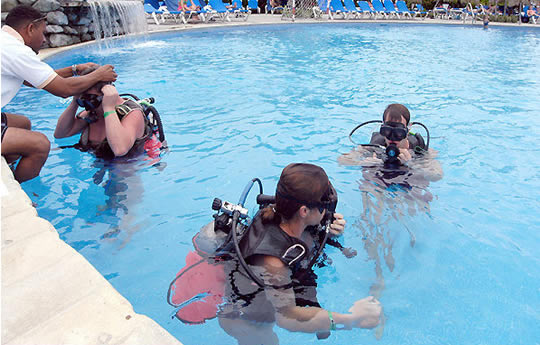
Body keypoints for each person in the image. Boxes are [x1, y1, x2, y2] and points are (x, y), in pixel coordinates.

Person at [215, 163, 382, 345]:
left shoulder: (281, 213)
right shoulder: (273, 262)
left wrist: (328, 229)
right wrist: (351, 319)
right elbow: (287, 318)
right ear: (304, 211)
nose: (327, 208)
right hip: (247, 319)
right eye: (323, 203)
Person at [1, 5, 117, 182]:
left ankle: (9, 167)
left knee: (23, 123)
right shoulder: (17, 52)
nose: (45, 40)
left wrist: (75, 69)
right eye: (43, 33)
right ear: (30, 29)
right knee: (39, 145)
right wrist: (98, 75)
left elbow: (33, 79)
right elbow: (64, 90)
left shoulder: (6, 43)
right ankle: (21, 189)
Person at [54, 66, 162, 159]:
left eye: (91, 98)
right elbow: (61, 134)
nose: (86, 104)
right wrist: (75, 102)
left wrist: (108, 107)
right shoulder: (92, 114)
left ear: (106, 93)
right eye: (83, 98)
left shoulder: (132, 114)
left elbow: (120, 150)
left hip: (128, 166)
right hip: (100, 160)